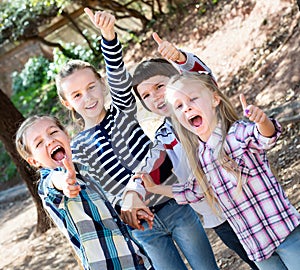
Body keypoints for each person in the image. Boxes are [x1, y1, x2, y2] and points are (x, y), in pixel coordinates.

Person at [53, 7, 219, 270]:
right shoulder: (78, 147)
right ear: (67, 102)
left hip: (175, 205)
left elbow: (119, 78)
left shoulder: (123, 111)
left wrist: (108, 38)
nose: (88, 98)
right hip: (142, 227)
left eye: (91, 87)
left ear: (102, 84)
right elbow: (99, 192)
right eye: (76, 95)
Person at [127, 33, 259, 270]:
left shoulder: (204, 103)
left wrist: (179, 58)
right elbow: (153, 167)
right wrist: (135, 191)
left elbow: (203, 76)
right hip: (221, 219)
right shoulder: (164, 137)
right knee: (259, 263)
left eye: (159, 86)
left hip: (253, 199)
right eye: (145, 95)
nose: (155, 96)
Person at [160, 71, 300, 269]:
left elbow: (265, 137)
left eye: (192, 98)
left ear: (215, 99)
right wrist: (154, 188)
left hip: (286, 233)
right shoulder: (201, 156)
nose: (187, 107)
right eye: (179, 106)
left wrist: (262, 121)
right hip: (258, 250)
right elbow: (193, 191)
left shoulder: (236, 134)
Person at [15, 115, 152, 270]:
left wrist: (127, 214)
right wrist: (65, 183)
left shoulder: (86, 172)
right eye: (39, 143)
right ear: (34, 161)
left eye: (53, 132)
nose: (50, 141)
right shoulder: (48, 184)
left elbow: (108, 215)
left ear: (66, 135)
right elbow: (55, 182)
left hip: (139, 259)